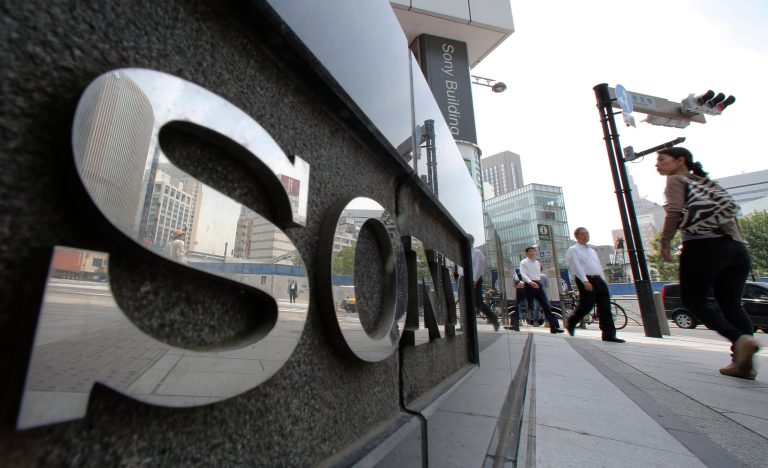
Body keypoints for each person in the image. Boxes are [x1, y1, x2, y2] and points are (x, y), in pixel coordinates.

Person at [656, 147, 758, 379]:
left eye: (662, 160)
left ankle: (740, 339)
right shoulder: (707, 183)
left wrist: (665, 241)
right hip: (737, 249)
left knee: (694, 300)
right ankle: (742, 364)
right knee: (732, 305)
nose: (657, 165)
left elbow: (674, 211)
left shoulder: (675, 180)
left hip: (704, 246)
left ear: (680, 161)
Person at [565, 228, 624, 342]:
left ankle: (609, 335)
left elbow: (598, 266)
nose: (586, 236)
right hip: (586, 279)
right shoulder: (573, 250)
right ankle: (571, 322)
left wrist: (603, 281)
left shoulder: (592, 251)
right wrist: (584, 281)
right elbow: (576, 266)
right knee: (587, 305)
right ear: (577, 236)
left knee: (605, 307)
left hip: (598, 279)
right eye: (583, 234)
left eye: (587, 233)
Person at [519, 247, 564, 334]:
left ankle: (554, 327)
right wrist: (530, 282)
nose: (533, 253)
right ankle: (526, 320)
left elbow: (537, 274)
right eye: (531, 251)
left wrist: (537, 283)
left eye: (534, 251)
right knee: (530, 305)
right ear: (527, 253)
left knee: (546, 305)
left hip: (538, 284)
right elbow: (523, 274)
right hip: (529, 284)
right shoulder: (524, 262)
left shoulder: (537, 263)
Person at [471, 243, 500, 331]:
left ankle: (492, 317)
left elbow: (478, 268)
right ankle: (466, 325)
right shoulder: (467, 252)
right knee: (468, 302)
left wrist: (474, 280)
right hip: (466, 279)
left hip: (473, 280)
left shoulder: (477, 253)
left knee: (478, 302)